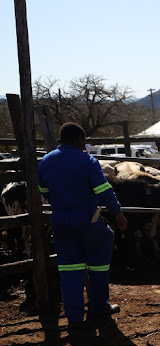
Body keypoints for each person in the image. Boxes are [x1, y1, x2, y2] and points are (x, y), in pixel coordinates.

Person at [36, 122, 128, 329]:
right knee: (99, 260)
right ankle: (98, 305)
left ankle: (74, 316)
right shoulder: (88, 160)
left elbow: (43, 189)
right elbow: (104, 191)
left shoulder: (46, 161)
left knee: (69, 268)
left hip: (60, 221)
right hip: (87, 219)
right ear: (79, 139)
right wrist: (118, 214)